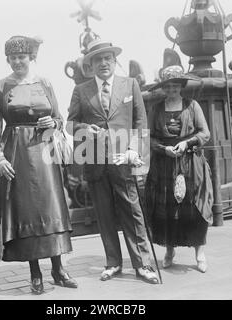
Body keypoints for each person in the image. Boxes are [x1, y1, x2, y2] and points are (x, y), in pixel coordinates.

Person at [0, 36, 77, 295]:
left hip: (45, 153)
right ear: (8, 60)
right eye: (12, 58)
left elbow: (59, 118)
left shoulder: (45, 83)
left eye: (21, 57)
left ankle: (59, 270)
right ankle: (35, 273)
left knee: (50, 206)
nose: (17, 62)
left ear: (31, 58)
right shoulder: (1, 87)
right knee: (25, 211)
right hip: (16, 154)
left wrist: (54, 124)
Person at [67, 39, 159, 284]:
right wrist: (86, 128)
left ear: (114, 61)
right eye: (98, 59)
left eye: (108, 58)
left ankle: (143, 264)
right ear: (91, 65)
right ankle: (113, 263)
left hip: (124, 159)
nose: (103, 63)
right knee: (104, 214)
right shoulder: (81, 90)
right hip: (95, 161)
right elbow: (70, 124)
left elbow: (140, 121)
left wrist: (133, 150)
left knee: (133, 211)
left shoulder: (129, 85)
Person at [144, 65, 213, 273]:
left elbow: (205, 133)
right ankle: (169, 250)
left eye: (176, 86)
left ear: (181, 87)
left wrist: (187, 143)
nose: (172, 90)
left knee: (194, 207)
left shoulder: (192, 106)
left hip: (191, 163)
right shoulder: (156, 108)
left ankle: (199, 253)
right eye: (168, 87)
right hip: (164, 164)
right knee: (168, 209)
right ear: (163, 89)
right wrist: (163, 149)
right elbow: (148, 136)